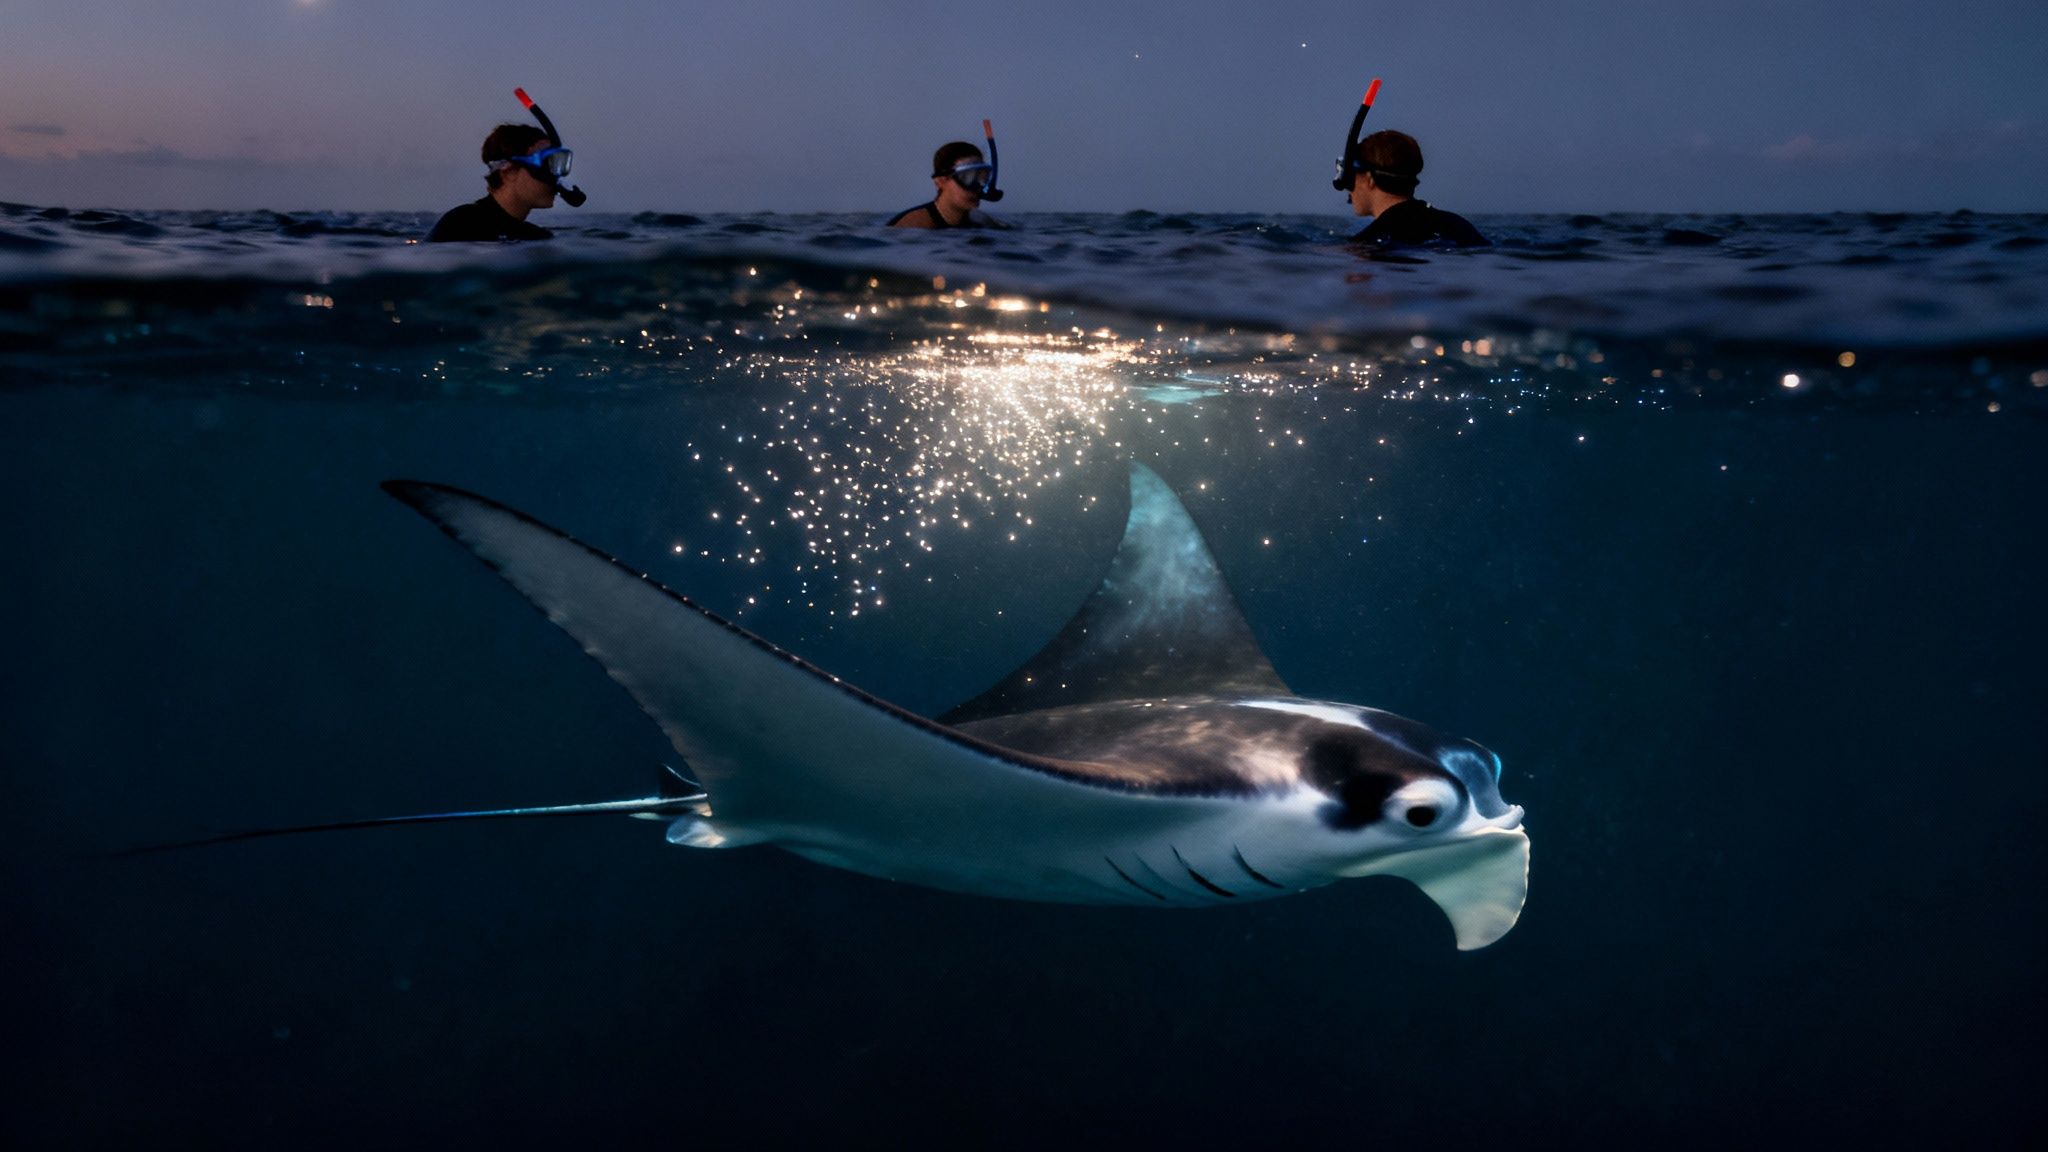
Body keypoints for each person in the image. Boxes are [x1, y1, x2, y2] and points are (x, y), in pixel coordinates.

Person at [1343, 130, 1486, 248]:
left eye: (1352, 176)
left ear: (1369, 179)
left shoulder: (1368, 244)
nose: (1348, 187)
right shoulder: (1458, 225)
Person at [426, 124, 564, 243]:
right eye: (546, 164)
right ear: (509, 172)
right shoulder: (461, 224)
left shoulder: (535, 235)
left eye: (557, 164)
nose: (555, 175)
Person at [887, 141, 1003, 229]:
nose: (977, 187)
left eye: (982, 177)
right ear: (940, 182)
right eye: (967, 177)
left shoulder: (981, 220)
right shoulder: (913, 225)